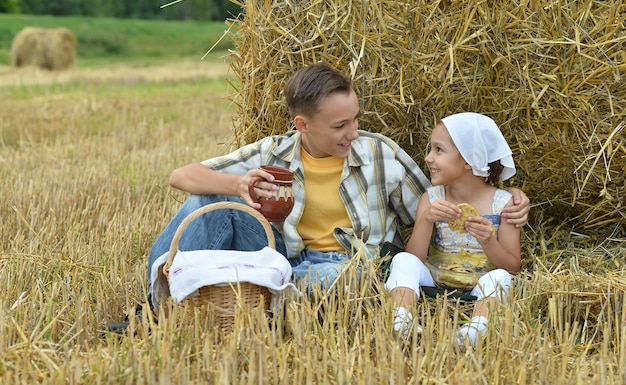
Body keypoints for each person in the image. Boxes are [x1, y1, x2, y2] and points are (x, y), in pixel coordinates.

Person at [145, 63, 530, 311]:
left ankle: (261, 292)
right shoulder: (274, 152)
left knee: (345, 279)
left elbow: (439, 203)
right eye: (339, 126)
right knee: (209, 196)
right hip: (281, 255)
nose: (353, 133)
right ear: (302, 125)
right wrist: (238, 183)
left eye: (355, 119)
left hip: (351, 266)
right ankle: (158, 305)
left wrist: (506, 197)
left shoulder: (379, 153)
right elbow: (181, 175)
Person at [384, 112, 521, 348]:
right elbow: (415, 257)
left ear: (469, 159)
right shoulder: (432, 198)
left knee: (500, 279)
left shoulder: (503, 204)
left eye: (438, 150)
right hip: (435, 279)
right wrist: (427, 219)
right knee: (403, 260)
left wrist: (489, 241)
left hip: (480, 282)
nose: (428, 158)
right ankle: (401, 319)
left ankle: (475, 330)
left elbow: (512, 267)